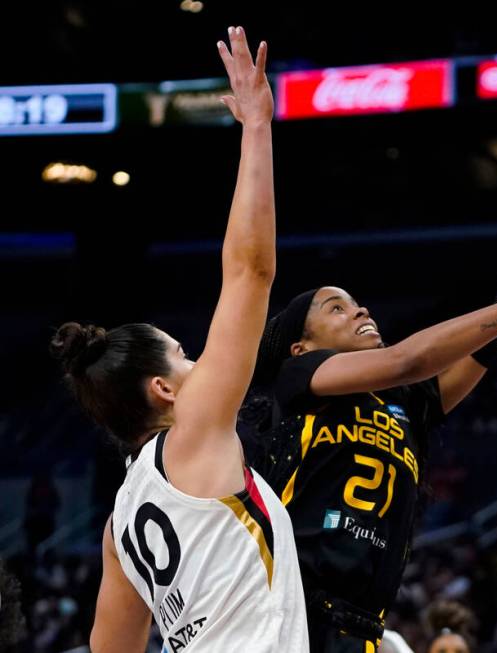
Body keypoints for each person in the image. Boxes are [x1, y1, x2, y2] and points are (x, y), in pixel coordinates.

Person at [248, 130, 497, 652]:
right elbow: (409, 358)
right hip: (288, 615)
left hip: (361, 630)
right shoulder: (303, 381)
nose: (361, 310)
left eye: (358, 302)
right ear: (300, 347)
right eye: (337, 307)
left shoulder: (412, 403)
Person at [49, 27, 308, 653]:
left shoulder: (119, 528)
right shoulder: (192, 431)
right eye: (187, 357)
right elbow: (251, 271)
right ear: (163, 389)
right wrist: (256, 128)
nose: (202, 363)